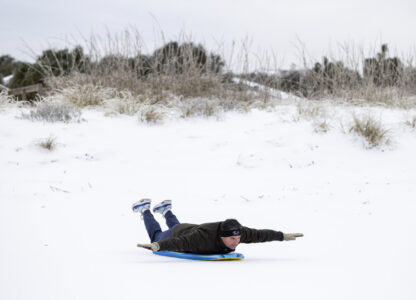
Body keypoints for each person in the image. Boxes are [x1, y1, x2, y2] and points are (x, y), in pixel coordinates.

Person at [133, 198, 303, 254]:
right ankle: (145, 209)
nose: (236, 242)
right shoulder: (202, 238)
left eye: (238, 238)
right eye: (232, 239)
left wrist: (282, 236)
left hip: (188, 228)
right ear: (222, 236)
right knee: (157, 235)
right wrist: (158, 245)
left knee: (179, 227)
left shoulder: (237, 232)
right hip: (180, 234)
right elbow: (181, 243)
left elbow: (260, 234)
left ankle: (165, 210)